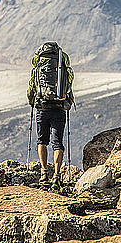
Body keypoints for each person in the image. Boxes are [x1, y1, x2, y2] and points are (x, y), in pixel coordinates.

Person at [27, 41, 74, 190]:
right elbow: (69, 82)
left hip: (43, 108)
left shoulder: (38, 64)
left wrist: (32, 102)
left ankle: (44, 173)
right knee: (57, 143)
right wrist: (68, 101)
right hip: (59, 108)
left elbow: (32, 87)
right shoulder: (62, 61)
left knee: (42, 141)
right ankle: (57, 176)